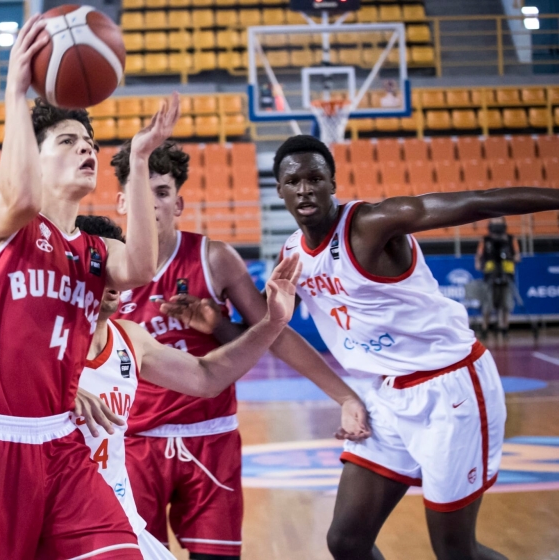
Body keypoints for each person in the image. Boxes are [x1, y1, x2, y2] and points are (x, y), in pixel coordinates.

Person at [0, 15, 181, 560]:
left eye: (90, 142)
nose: (87, 149)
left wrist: (139, 161)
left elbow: (142, 267)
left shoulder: (94, 249)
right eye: (68, 141)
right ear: (34, 157)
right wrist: (15, 93)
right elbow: (22, 197)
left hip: (60, 441)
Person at [270, 134, 559, 560]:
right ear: (280, 190)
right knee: (346, 541)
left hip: (451, 387)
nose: (305, 189)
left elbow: (478, 202)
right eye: (294, 182)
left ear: (333, 183)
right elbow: (262, 330)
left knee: (456, 551)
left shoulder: (371, 224)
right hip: (386, 396)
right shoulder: (292, 254)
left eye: (315, 178)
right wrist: (210, 316)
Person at [109, 140, 370, 559]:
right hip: (133, 442)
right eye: (141, 192)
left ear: (178, 204)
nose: (152, 204)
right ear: (122, 203)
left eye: (162, 192)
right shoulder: (106, 266)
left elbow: (272, 333)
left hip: (210, 437)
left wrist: (345, 396)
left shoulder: (213, 258)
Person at [72, 215, 302, 560]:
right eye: (102, 265)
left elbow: (206, 377)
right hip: (67, 517)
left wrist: (273, 322)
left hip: (119, 516)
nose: (116, 277)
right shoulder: (39, 345)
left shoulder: (129, 337)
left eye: (119, 265)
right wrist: (56, 389)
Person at [475, 218, 521, 339]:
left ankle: (504, 328)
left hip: (507, 274)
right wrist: (479, 263)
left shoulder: (511, 239)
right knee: (487, 303)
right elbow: (478, 256)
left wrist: (512, 258)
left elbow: (517, 256)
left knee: (506, 303)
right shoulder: (485, 240)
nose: (497, 226)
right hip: (490, 274)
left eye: (499, 223)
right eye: (495, 223)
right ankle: (485, 328)